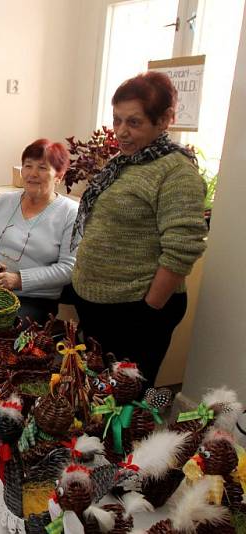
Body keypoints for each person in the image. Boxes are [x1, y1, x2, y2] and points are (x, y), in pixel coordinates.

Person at [70, 71, 207, 387]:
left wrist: (148, 311)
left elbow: (183, 248)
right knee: (95, 395)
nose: (121, 131)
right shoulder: (125, 162)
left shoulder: (176, 172)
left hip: (135, 312)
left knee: (124, 408)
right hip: (101, 307)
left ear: (164, 120)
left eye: (134, 122)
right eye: (117, 120)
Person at [0, 139, 78, 325]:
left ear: (60, 175)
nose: (32, 174)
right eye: (27, 166)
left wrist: (18, 280)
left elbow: (68, 269)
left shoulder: (70, 213)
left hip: (32, 298)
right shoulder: (1, 202)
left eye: (42, 167)